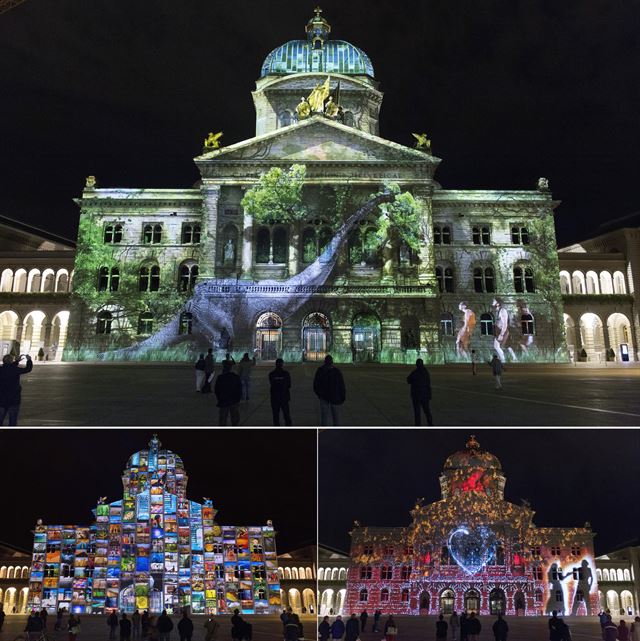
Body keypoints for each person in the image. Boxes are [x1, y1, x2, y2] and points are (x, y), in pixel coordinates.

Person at [0, 353, 33, 426]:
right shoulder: (15, 369)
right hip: (14, 399)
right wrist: (29, 360)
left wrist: (17, 361)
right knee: (13, 420)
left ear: (3, 361)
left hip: (1, 399)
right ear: (11, 361)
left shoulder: (1, 370)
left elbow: (8, 366)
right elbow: (28, 369)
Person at [313, 354, 346, 426]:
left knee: (324, 418)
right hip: (335, 397)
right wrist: (342, 396)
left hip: (324, 397)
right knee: (336, 418)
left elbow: (315, 384)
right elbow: (341, 385)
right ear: (332, 362)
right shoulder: (336, 371)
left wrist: (320, 394)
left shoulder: (320, 371)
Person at [406, 358, 434, 426]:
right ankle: (430, 423)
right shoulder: (426, 372)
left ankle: (418, 425)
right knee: (427, 411)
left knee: (417, 412)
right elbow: (428, 384)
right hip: (425, 395)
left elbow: (408, 380)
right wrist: (429, 395)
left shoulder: (415, 373)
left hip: (416, 396)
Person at [214, 361, 242, 425]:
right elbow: (239, 389)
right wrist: (238, 399)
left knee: (223, 419)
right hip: (234, 400)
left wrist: (219, 399)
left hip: (223, 401)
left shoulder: (220, 377)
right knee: (235, 418)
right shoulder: (235, 377)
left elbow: (217, 390)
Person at [492, 298, 517, 362]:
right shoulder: (498, 310)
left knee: (496, 346)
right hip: (499, 330)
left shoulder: (502, 311)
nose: (493, 302)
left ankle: (503, 360)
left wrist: (501, 334)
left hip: (502, 331)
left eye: (494, 301)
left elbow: (505, 324)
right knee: (508, 345)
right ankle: (514, 358)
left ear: (498, 303)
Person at [269, 358, 292, 426]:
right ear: (282, 364)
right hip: (284, 397)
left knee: (275, 415)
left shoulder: (271, 374)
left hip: (274, 397)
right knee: (286, 414)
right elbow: (289, 385)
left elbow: (271, 383)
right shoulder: (286, 374)